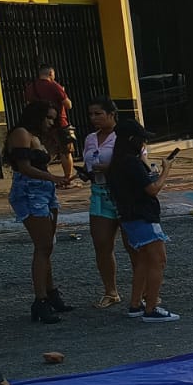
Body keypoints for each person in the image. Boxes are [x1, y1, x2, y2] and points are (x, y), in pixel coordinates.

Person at [7, 102, 74, 323]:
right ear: (36, 116)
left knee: (48, 245)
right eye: (48, 118)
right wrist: (53, 178)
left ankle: (50, 292)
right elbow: (24, 166)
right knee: (42, 246)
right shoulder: (21, 133)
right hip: (29, 191)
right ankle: (41, 299)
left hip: (44, 190)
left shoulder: (36, 136)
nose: (51, 122)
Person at [108, 118, 179, 323]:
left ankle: (135, 304)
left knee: (142, 261)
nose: (143, 144)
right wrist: (166, 170)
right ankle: (151, 307)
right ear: (132, 139)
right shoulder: (131, 162)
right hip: (143, 216)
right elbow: (152, 189)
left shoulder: (118, 161)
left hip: (129, 217)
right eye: (141, 140)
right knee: (158, 260)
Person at [81, 99, 129, 309]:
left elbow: (135, 164)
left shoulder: (125, 136)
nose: (94, 118)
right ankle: (111, 291)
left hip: (123, 194)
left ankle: (145, 289)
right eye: (91, 114)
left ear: (111, 114)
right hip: (99, 193)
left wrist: (110, 168)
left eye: (98, 113)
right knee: (102, 244)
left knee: (133, 245)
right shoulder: (90, 139)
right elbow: (88, 163)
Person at [24, 65, 74, 181]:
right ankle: (68, 179)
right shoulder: (54, 86)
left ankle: (44, 175)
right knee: (66, 151)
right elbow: (68, 105)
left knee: (45, 150)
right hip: (59, 122)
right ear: (51, 73)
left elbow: (28, 104)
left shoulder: (31, 87)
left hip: (40, 124)